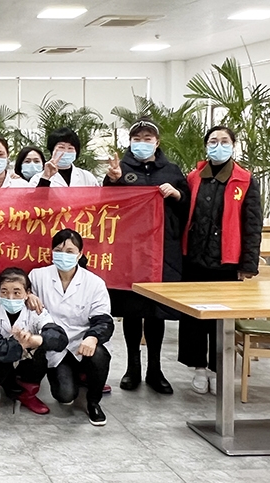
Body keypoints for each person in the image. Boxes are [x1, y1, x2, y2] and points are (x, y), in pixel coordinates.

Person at [104, 119, 190, 394]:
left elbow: (188, 209)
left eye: (147, 138)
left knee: (156, 311)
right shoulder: (121, 168)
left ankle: (155, 369)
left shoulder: (172, 171)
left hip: (162, 250)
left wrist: (177, 195)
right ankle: (132, 368)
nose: (142, 142)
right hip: (130, 250)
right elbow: (108, 205)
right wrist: (113, 180)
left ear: (157, 142)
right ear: (130, 142)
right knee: (132, 309)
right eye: (137, 138)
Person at [179, 125, 262, 395]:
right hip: (194, 259)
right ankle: (198, 368)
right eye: (213, 141)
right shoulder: (194, 177)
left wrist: (248, 265)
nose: (218, 145)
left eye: (224, 141)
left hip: (227, 262)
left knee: (221, 320)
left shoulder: (245, 180)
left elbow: (252, 225)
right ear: (206, 146)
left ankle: (218, 370)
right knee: (193, 319)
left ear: (233, 145)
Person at [28, 229, 114, 426]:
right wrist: (28, 295)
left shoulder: (94, 283)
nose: (63, 255)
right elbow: (19, 292)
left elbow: (104, 320)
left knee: (99, 353)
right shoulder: (38, 276)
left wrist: (92, 337)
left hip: (82, 344)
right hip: (56, 346)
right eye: (58, 250)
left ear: (80, 253)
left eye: (69, 251)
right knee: (65, 396)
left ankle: (93, 402)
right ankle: (78, 377)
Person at [0, 268, 68, 415]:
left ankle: (27, 395)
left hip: (24, 365)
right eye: (4, 292)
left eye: (17, 292)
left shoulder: (36, 310)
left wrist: (36, 340)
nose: (10, 298)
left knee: (39, 354)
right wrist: (19, 344)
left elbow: (60, 339)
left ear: (27, 293)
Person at [27, 127, 99, 187]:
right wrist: (45, 178)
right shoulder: (37, 178)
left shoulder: (87, 177)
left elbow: (98, 198)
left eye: (70, 148)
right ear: (52, 150)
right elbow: (35, 199)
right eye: (61, 147)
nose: (65, 151)